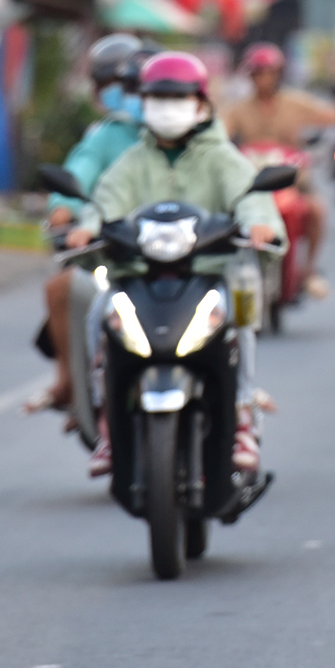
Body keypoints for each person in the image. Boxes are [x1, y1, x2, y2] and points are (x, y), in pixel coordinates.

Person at [64, 51, 286, 500]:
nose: (168, 107)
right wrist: (85, 227)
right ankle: (109, 424)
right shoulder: (133, 160)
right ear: (144, 104)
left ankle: (241, 414)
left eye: (178, 98)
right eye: (158, 98)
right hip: (139, 277)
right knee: (98, 315)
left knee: (240, 316)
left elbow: (250, 197)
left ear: (200, 104)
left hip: (209, 274)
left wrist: (259, 222)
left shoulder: (220, 157)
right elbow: (105, 200)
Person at [34, 34, 149, 419]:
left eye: (123, 84)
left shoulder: (182, 132)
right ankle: (70, 380)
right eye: (104, 86)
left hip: (173, 249)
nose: (114, 94)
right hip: (112, 247)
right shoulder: (104, 137)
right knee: (63, 286)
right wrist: (62, 208)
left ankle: (237, 397)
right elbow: (79, 172)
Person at [221, 42, 335, 299]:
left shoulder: (295, 103)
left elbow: (331, 116)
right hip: (251, 180)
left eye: (269, 73)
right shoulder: (238, 108)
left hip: (292, 177)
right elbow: (221, 133)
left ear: (278, 74)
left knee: (316, 211)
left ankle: (309, 269)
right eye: (258, 74)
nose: (263, 79)